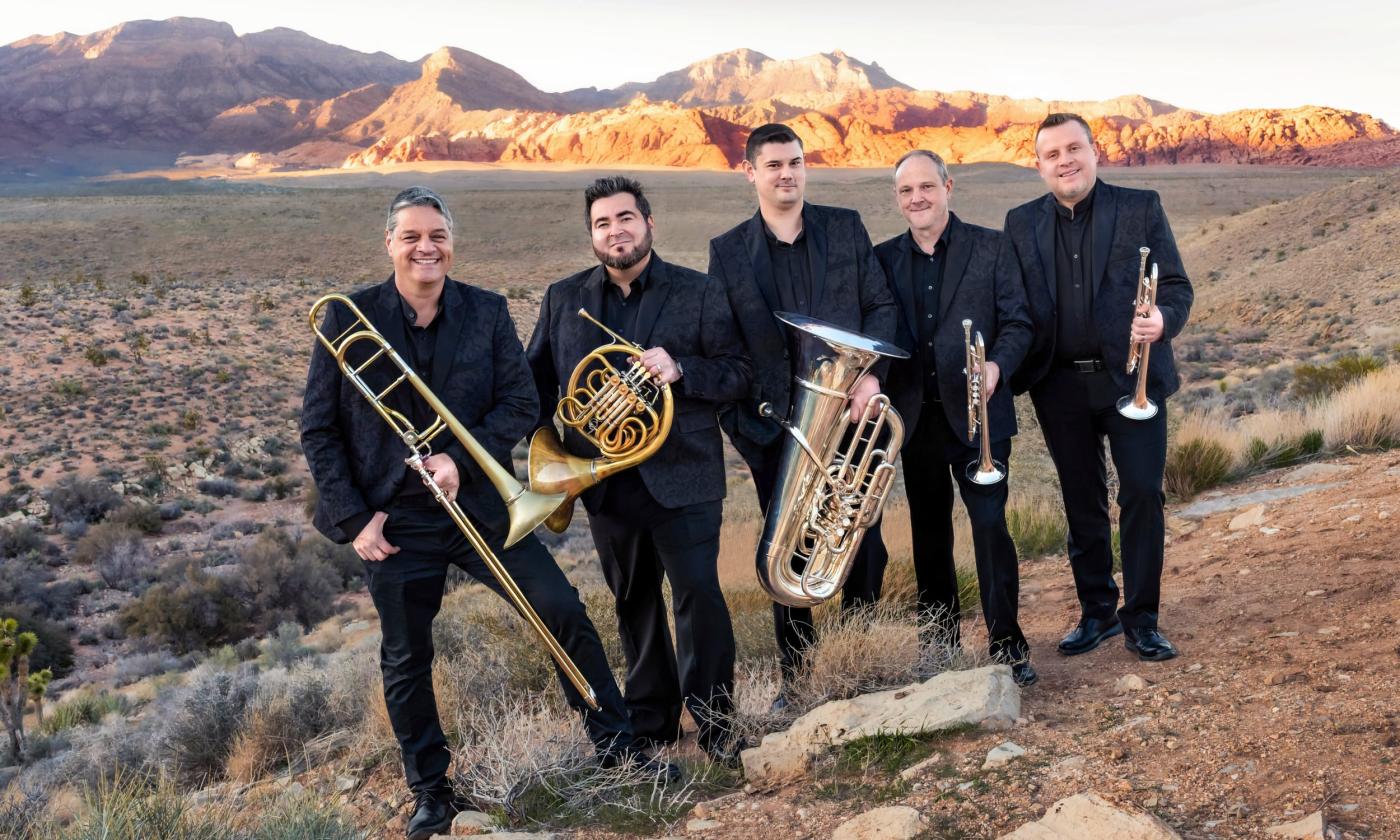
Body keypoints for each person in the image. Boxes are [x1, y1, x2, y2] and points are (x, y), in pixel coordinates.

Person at [301, 187, 669, 840]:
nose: (426, 247)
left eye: (437, 235)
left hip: (480, 502)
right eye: (411, 236)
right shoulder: (347, 316)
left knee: (560, 610)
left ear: (452, 242)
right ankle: (431, 793)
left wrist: (457, 460)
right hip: (393, 521)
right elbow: (319, 431)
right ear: (389, 243)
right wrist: (355, 519)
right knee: (406, 656)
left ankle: (618, 745)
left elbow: (519, 405)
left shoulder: (486, 312)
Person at [527, 176, 752, 764]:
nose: (615, 231)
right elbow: (532, 387)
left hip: (685, 476)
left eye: (625, 219)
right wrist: (546, 451)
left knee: (698, 597)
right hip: (606, 481)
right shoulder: (562, 298)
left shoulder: (698, 291)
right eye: (603, 223)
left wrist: (682, 369)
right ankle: (652, 720)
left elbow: (737, 372)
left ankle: (716, 722)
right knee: (634, 601)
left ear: (649, 223)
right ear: (591, 236)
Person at [707, 123, 898, 705]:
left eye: (794, 162)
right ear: (751, 173)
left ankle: (859, 656)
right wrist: (744, 426)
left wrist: (869, 377)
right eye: (772, 165)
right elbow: (721, 341)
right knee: (784, 549)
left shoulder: (844, 227)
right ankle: (799, 678)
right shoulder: (727, 250)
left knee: (859, 537)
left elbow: (881, 305)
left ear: (805, 166)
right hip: (773, 427)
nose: (785, 173)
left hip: (849, 415)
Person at [1003, 113, 1193, 662]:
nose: (1065, 161)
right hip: (1058, 384)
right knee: (1080, 500)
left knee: (1140, 493)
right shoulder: (1020, 223)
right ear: (1039, 166)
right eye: (1052, 154)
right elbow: (1015, 306)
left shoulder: (1141, 206)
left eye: (1073, 149)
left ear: (1094, 151)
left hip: (1132, 377)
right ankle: (1098, 613)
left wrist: (1163, 320)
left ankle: (1143, 620)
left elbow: (1176, 285)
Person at [874, 150, 1036, 686]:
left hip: (979, 418)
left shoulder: (992, 247)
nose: (917, 198)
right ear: (897, 199)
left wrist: (996, 365)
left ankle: (1008, 645)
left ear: (948, 186)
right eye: (905, 191)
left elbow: (1018, 322)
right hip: (915, 421)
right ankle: (939, 649)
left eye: (926, 186)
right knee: (929, 537)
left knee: (990, 529)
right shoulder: (882, 258)